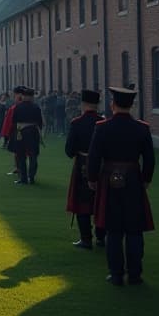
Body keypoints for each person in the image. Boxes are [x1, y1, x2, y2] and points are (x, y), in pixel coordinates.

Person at [87, 86, 155, 285]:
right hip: (133, 178)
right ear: (132, 105)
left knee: (113, 229)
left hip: (108, 178)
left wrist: (92, 179)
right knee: (134, 229)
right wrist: (146, 179)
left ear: (113, 104)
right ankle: (135, 274)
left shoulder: (102, 127)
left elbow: (94, 157)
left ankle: (116, 274)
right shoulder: (142, 128)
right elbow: (149, 159)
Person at [65, 90, 106, 248]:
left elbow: (69, 150)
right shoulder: (103, 123)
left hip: (82, 163)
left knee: (82, 203)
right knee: (101, 201)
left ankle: (86, 238)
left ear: (83, 104)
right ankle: (101, 237)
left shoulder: (77, 123)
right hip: (102, 166)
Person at [5, 86, 43, 185]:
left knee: (21, 156)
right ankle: (32, 177)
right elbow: (40, 122)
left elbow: (14, 121)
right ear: (32, 97)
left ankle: (23, 178)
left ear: (24, 96)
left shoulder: (18, 107)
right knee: (33, 156)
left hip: (20, 132)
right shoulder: (36, 107)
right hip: (33, 132)